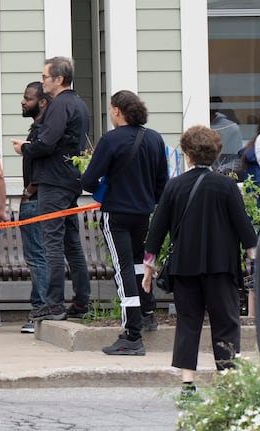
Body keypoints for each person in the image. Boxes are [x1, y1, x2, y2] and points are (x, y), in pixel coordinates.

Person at [144, 125, 257, 398]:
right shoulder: (226, 186)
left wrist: (148, 267)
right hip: (221, 267)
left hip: (185, 267)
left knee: (188, 322)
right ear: (216, 154)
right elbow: (245, 231)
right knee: (226, 322)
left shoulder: (174, 186)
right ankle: (228, 382)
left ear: (187, 154)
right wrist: (253, 263)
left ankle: (187, 384)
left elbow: (156, 231)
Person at [78, 89, 168, 354]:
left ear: (117, 110)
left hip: (116, 214)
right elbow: (162, 184)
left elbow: (88, 180)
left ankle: (132, 334)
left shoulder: (111, 140)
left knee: (123, 269)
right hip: (143, 213)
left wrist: (103, 189)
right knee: (139, 264)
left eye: (110, 109)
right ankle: (147, 312)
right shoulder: (154, 139)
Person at [11, 56, 91, 321]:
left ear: (59, 79)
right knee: (71, 243)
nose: (43, 81)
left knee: (52, 242)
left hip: (54, 181)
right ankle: (81, 301)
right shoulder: (78, 103)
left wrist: (25, 148)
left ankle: (54, 303)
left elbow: (46, 142)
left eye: (45, 77)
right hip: (70, 179)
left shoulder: (59, 105)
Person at [16, 82, 49, 333]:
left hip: (35, 201)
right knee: (39, 257)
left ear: (42, 102)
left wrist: (28, 192)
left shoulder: (43, 133)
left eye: (28, 98)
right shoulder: (39, 130)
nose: (23, 101)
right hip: (37, 200)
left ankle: (39, 311)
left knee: (38, 257)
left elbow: (43, 169)